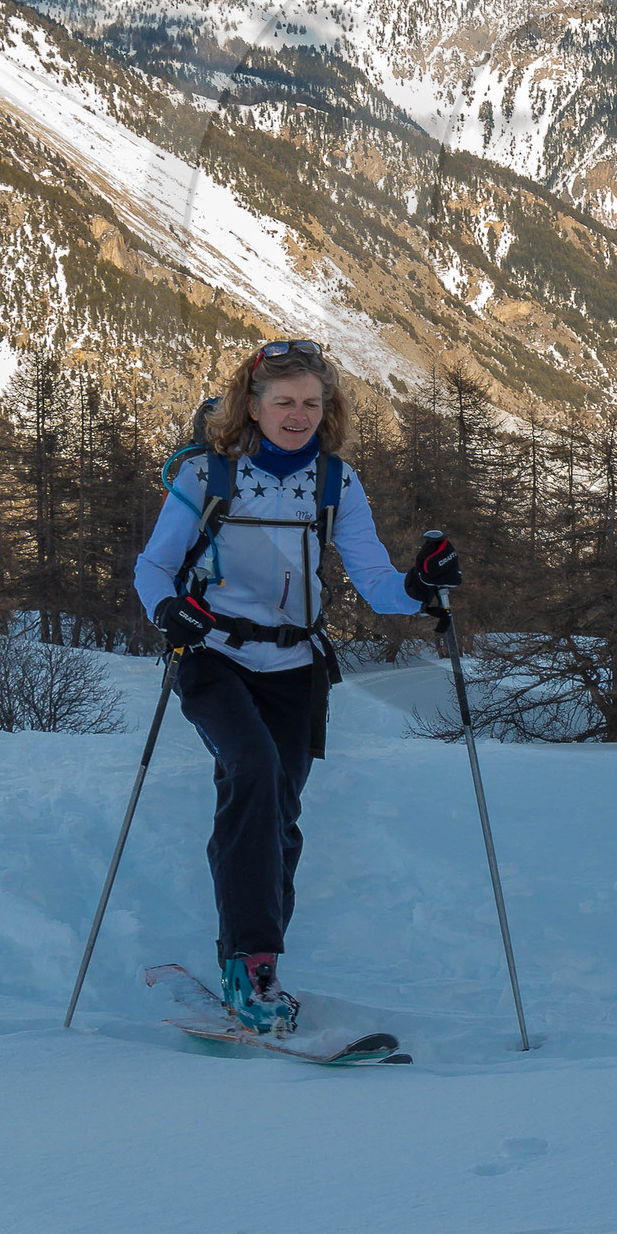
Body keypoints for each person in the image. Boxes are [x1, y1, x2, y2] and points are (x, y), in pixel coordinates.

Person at [134, 339, 460, 1036]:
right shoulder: (206, 475)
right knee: (250, 771)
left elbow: (376, 582)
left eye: (312, 402)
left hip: (296, 667)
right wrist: (170, 610)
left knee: (276, 812)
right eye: (283, 401)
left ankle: (253, 959)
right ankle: (251, 965)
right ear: (250, 404)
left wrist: (419, 583)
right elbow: (153, 569)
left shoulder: (335, 482)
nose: (298, 414)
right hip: (213, 653)